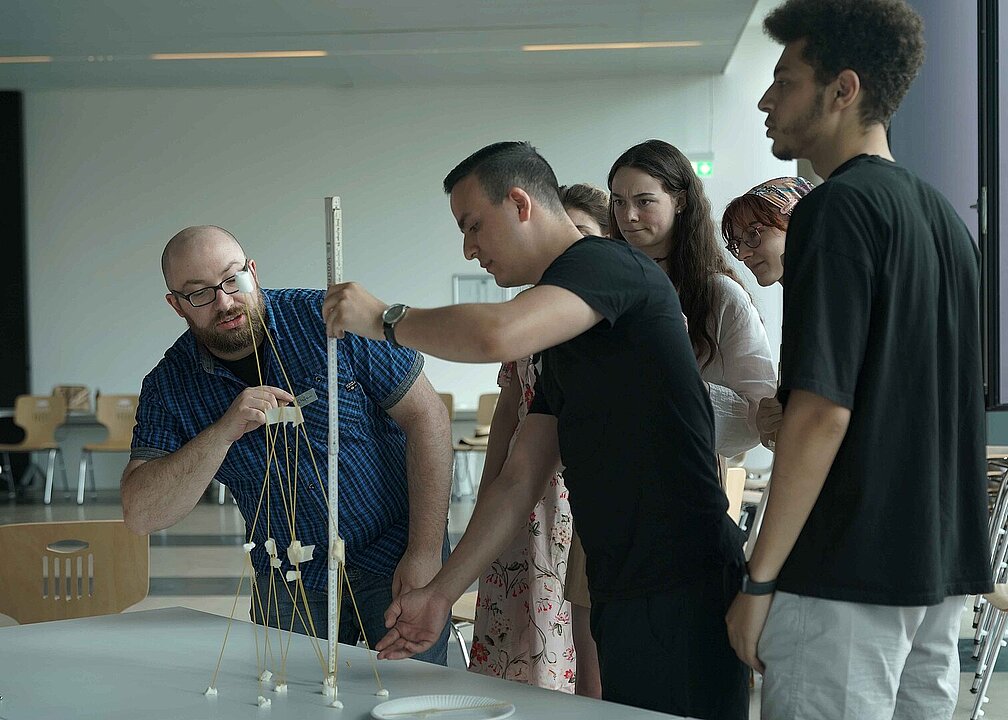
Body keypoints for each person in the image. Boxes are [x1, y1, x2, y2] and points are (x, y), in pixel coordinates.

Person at [323, 141, 749, 719]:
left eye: (473, 226)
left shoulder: (607, 264)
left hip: (682, 579)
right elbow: (518, 480)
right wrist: (439, 594)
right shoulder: (565, 338)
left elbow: (496, 334)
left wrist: (386, 319)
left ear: (520, 202)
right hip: (621, 584)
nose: (469, 249)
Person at [724, 2, 992, 718]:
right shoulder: (945, 223)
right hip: (935, 569)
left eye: (785, 79)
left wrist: (758, 580)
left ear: (843, 90)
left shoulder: (835, 210)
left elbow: (820, 413)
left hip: (848, 570)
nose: (766, 99)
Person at [122, 225, 454, 664]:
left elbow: (427, 419)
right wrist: (223, 431)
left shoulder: (329, 319)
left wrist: (426, 552)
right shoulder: (171, 385)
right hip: (290, 574)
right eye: (198, 293)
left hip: (395, 551)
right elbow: (142, 513)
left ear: (253, 272)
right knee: (292, 703)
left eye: (232, 279)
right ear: (176, 305)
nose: (224, 302)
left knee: (411, 699)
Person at [467, 183, 610, 695]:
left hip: (579, 493)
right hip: (521, 494)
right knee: (516, 632)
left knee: (581, 639)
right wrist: (487, 503)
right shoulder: (528, 313)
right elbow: (509, 410)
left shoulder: (608, 313)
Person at [608, 140, 776, 458]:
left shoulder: (721, 296)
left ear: (680, 201)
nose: (628, 216)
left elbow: (755, 421)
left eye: (644, 202)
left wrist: (675, 379)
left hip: (682, 476)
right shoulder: (603, 286)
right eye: (618, 202)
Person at [720, 176, 815, 446]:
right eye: (738, 243)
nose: (743, 255)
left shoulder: (833, 301)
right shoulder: (800, 304)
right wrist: (773, 425)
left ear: (797, 222)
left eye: (754, 234)